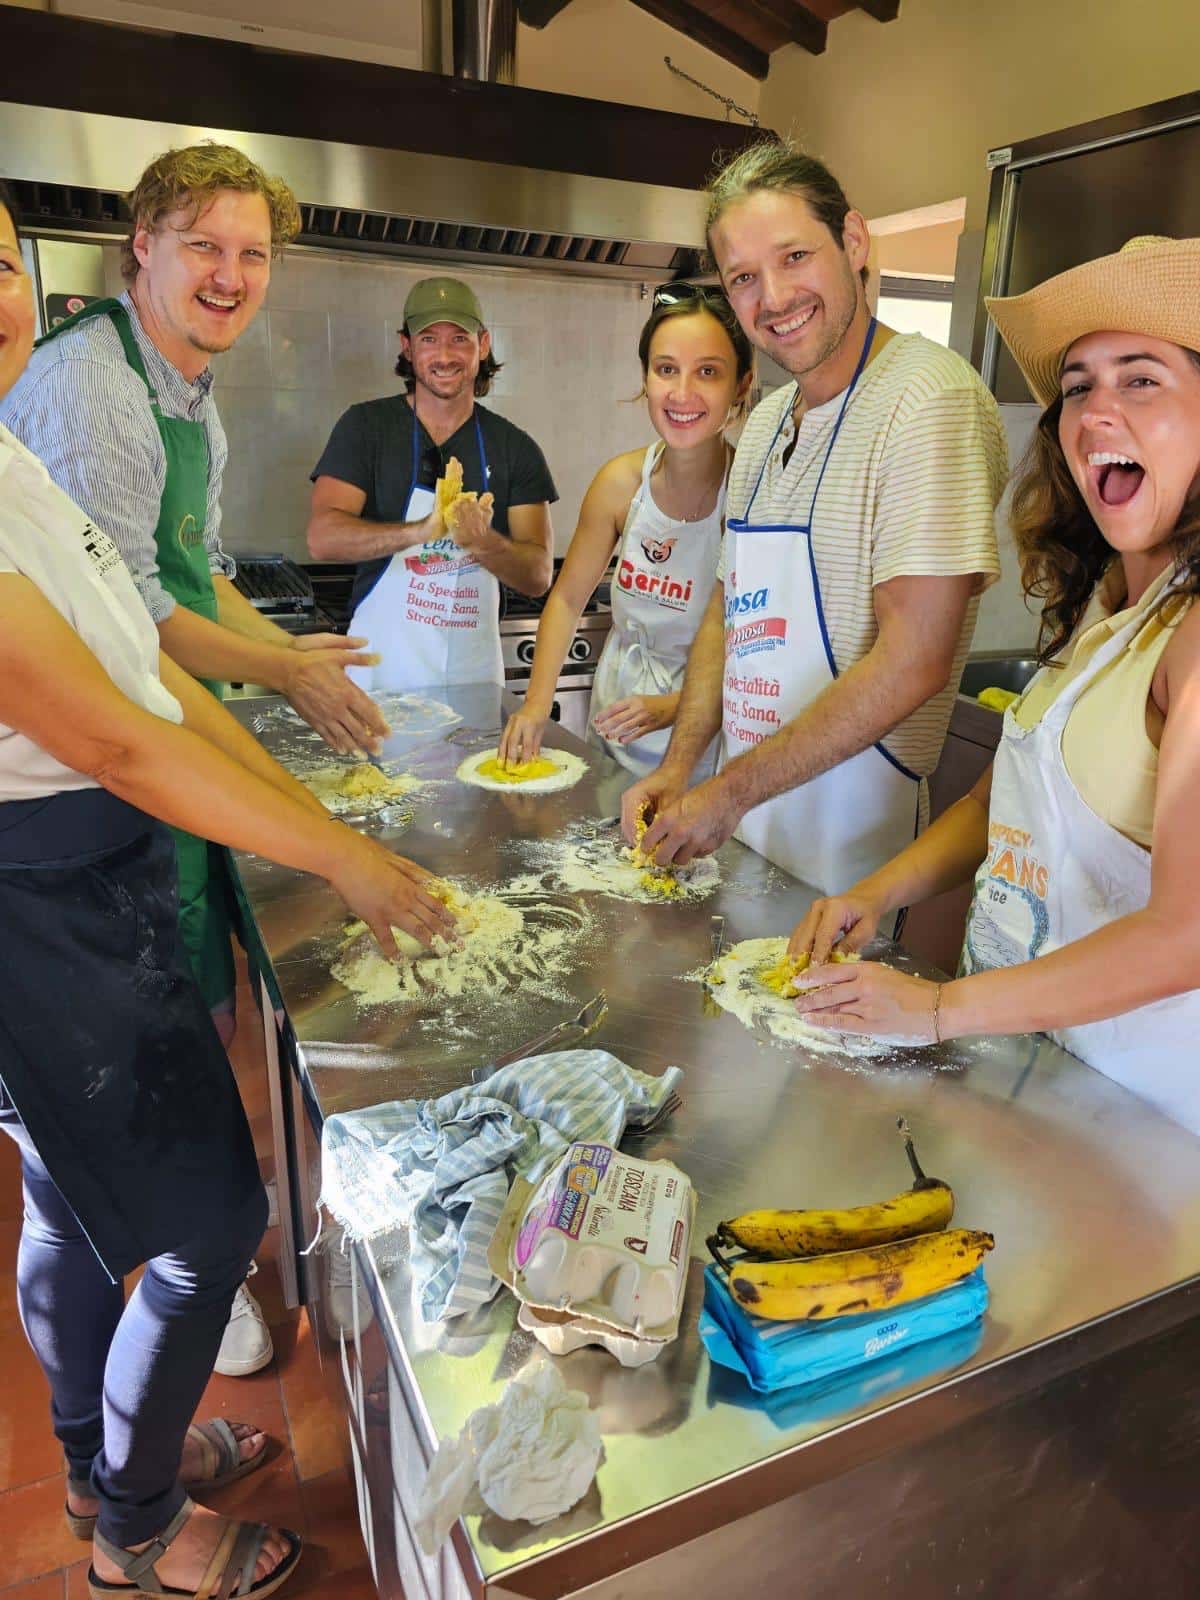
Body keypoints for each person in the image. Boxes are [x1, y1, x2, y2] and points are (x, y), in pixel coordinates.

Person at [0, 178, 453, 1600]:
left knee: (75, 1207)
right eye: (203, 245)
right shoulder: (83, 395)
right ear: (137, 250)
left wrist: (302, 804)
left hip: (83, 873)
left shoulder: (13, 452)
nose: (229, 273)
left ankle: (103, 1463)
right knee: (206, 1226)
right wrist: (339, 854)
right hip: (37, 900)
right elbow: (120, 736)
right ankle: (134, 1536)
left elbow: (140, 649)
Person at [788, 235, 1200, 1136]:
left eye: (1142, 379)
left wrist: (936, 1010)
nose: (1096, 412)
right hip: (1032, 1072)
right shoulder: (1110, 603)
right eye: (1079, 387)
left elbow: (1188, 933)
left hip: (1141, 1124)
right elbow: (1001, 802)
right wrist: (875, 895)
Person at [620, 140, 1007, 904]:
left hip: (852, 857)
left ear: (853, 241)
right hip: (743, 832)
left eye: (794, 256)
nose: (773, 297)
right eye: (743, 277)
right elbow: (728, 614)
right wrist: (680, 766)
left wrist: (729, 792)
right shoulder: (767, 422)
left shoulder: (929, 399)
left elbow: (915, 660)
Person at [498, 283, 753, 778]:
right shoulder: (620, 484)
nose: (682, 393)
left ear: (741, 385)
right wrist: (535, 706)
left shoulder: (749, 500)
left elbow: (762, 653)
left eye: (707, 371)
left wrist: (674, 706)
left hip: (703, 752)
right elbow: (567, 600)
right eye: (666, 369)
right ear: (646, 377)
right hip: (613, 736)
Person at [307, 275, 557, 691]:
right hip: (379, 678)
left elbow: (538, 575)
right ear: (407, 347)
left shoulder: (515, 448)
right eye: (429, 339)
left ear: (483, 344)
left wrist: (482, 541)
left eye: (459, 339)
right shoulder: (366, 428)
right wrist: (422, 531)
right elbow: (322, 539)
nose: (444, 355)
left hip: (472, 684)